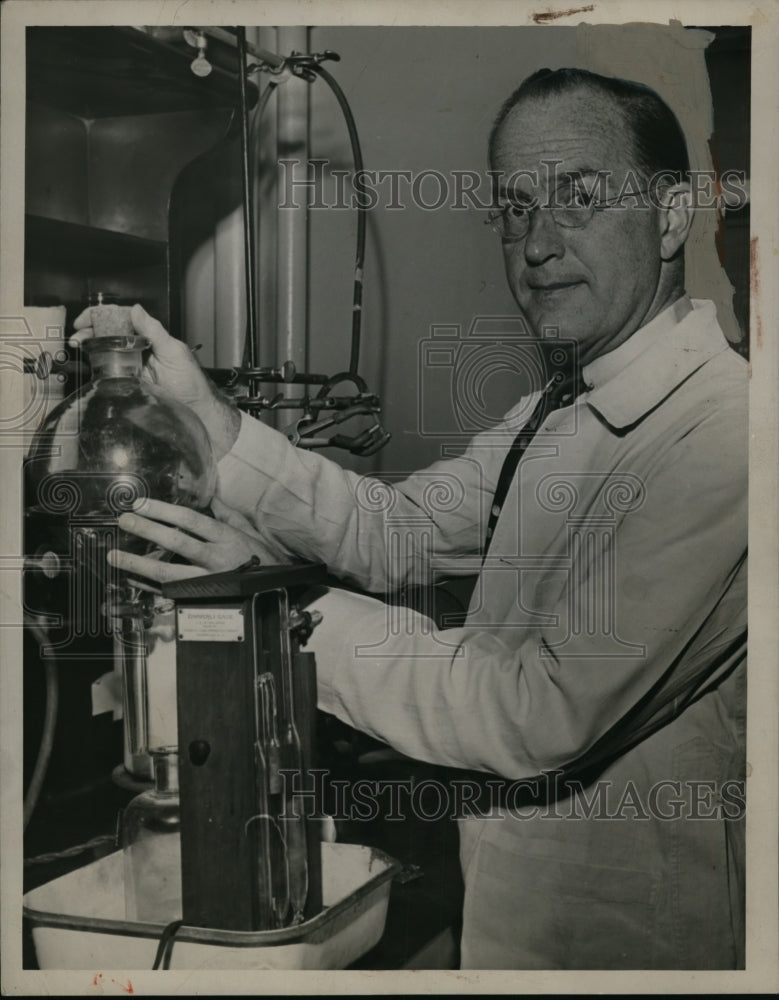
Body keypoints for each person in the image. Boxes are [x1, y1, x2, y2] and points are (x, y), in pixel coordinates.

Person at [73, 68, 747, 969]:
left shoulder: (727, 432)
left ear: (669, 215)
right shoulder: (566, 406)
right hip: (518, 920)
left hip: (639, 951)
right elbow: (391, 532)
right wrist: (209, 426)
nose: (537, 243)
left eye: (576, 196)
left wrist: (278, 613)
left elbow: (532, 714)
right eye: (513, 206)